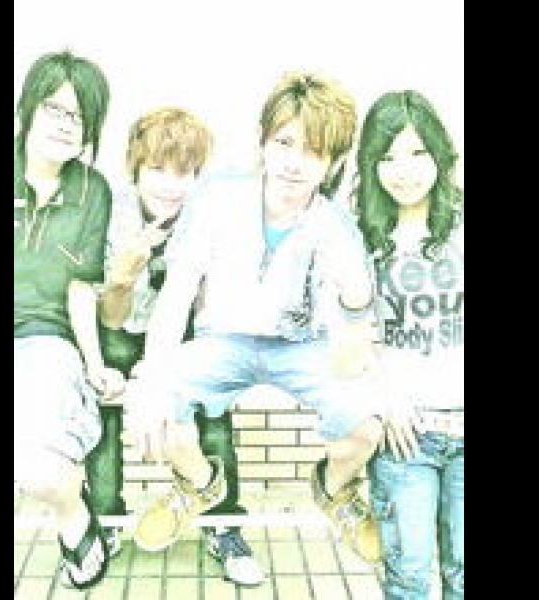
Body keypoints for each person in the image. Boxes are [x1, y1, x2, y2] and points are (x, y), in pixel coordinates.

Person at [124, 72, 385, 564]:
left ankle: (336, 491)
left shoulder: (334, 223)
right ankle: (198, 484)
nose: (294, 163)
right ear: (263, 141)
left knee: (366, 427)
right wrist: (153, 381)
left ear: (332, 163)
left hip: (303, 347)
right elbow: (177, 293)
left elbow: (356, 324)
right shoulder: (218, 197)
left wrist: (352, 289)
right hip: (223, 340)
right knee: (150, 408)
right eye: (284, 143)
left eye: (313, 152)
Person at [95, 107, 264, 586]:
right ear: (135, 167)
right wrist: (123, 276)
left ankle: (223, 525)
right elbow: (111, 317)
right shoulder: (112, 212)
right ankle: (104, 522)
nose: (171, 186)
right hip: (123, 330)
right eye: (157, 169)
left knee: (214, 416)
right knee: (105, 418)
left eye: (184, 173)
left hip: (187, 331)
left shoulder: (208, 213)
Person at [14, 50, 123, 591]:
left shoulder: (91, 190)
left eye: (78, 117)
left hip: (45, 337)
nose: (64, 124)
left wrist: (95, 363)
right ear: (28, 108)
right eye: (54, 109)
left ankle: (72, 512)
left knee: (39, 469)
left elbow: (81, 288)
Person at [354, 90, 464, 599]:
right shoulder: (364, 236)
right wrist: (384, 399)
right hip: (406, 436)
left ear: (439, 154)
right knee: (411, 576)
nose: (405, 170)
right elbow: (351, 334)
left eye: (418, 153)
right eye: (389, 156)